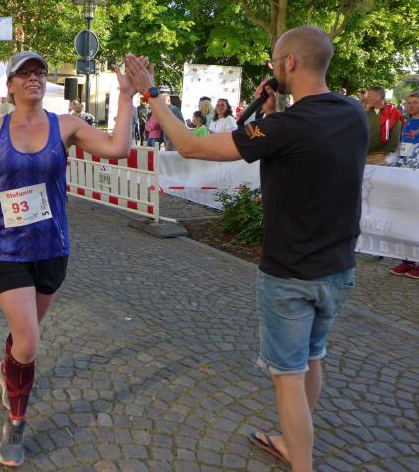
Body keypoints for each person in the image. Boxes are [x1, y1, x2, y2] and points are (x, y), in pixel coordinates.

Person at [125, 25, 367, 472]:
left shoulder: (280, 128)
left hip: (290, 272)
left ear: (289, 63)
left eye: (275, 61)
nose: (274, 68)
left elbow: (189, 145)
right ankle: (291, 440)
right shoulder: (352, 112)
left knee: (287, 376)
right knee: (312, 358)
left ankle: (300, 460)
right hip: (337, 269)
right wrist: (271, 115)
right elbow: (306, 140)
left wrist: (152, 93)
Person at [0, 50, 133, 467]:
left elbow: (117, 148)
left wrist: (127, 96)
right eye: (24, 73)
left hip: (51, 249)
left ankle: (8, 369)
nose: (34, 78)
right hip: (6, 250)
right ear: (10, 85)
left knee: (24, 339)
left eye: (39, 72)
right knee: (29, 341)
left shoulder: (66, 125)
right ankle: (16, 422)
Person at [388, 116, 419, 279]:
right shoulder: (414, 147)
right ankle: (408, 260)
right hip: (412, 194)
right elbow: (403, 165)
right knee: (410, 227)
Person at [364, 87, 403, 165]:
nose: (366, 98)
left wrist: (384, 153)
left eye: (369, 96)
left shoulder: (393, 113)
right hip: (362, 153)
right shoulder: (365, 112)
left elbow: (394, 138)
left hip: (380, 157)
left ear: (378, 97)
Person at [393, 91, 419, 166]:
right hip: (402, 163)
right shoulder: (409, 120)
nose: (411, 105)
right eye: (409, 103)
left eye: (415, 103)